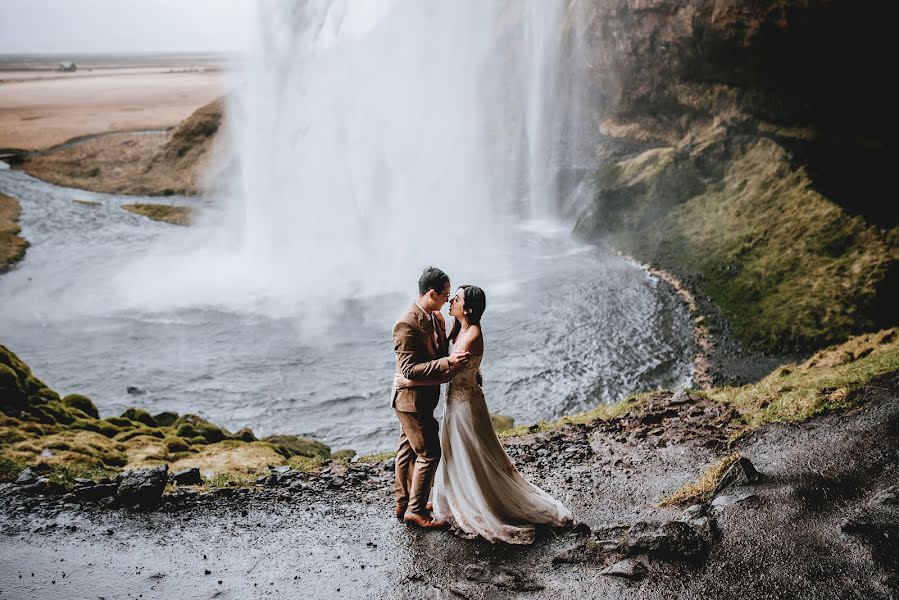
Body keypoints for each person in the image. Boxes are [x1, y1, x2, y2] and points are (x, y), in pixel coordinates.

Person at [395, 284, 574, 543]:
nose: (451, 300)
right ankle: (451, 497)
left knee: (472, 454)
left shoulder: (472, 334)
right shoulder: (458, 328)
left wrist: (408, 382)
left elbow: (447, 375)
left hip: (465, 404)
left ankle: (480, 500)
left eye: (455, 298)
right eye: (451, 296)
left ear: (466, 308)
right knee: (456, 453)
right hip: (454, 402)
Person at [390, 266, 471, 528]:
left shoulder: (435, 317)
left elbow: (436, 350)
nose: (448, 300)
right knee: (429, 453)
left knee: (407, 450)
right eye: (446, 295)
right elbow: (409, 370)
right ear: (432, 293)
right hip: (410, 400)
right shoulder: (406, 323)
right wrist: (447, 362)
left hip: (421, 397)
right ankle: (416, 511)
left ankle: (404, 502)